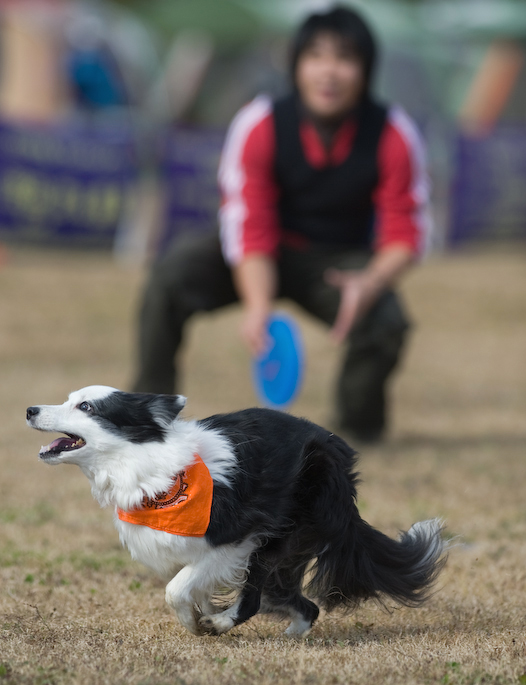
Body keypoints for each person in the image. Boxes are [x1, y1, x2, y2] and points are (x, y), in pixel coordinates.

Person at [133, 5, 430, 443]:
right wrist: (259, 306)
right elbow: (249, 224)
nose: (328, 72)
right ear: (296, 65)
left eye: (344, 58)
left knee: (386, 319)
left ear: (366, 69)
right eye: (316, 56)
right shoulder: (260, 123)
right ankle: (146, 422)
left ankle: (358, 427)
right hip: (260, 251)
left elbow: (406, 231)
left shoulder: (394, 133)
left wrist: (370, 280)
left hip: (335, 260)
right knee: (170, 277)